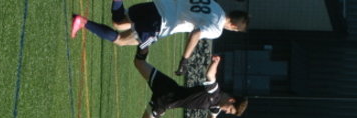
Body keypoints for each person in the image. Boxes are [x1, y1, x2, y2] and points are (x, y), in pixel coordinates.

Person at [95, 51, 247, 118]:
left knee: (139, 62)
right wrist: (215, 62)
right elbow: (210, 75)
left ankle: (143, 39)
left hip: (168, 85)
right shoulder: (214, 92)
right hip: (165, 100)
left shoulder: (216, 107)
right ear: (231, 100)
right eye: (230, 110)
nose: (227, 112)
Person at [71, 0, 249, 75]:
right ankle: (82, 22)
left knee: (119, 22)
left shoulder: (215, 5)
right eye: (235, 30)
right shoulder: (217, 29)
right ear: (234, 26)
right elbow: (196, 34)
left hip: (159, 5)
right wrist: (184, 60)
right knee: (122, 40)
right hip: (161, 24)